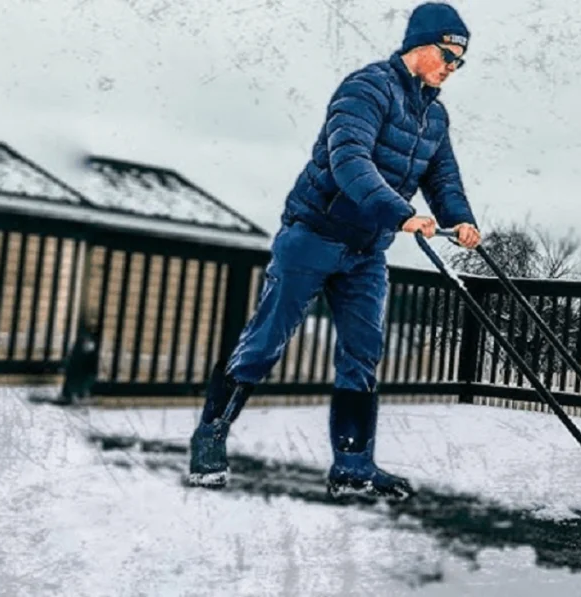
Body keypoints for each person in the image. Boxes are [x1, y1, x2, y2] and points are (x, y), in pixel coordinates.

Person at [185, 2, 481, 501]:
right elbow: (350, 160)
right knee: (264, 342)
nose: (453, 68)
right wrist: (399, 212)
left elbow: (442, 177)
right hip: (313, 235)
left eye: (460, 62)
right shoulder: (366, 88)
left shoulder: (434, 115)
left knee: (363, 355)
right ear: (422, 44)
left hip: (365, 251)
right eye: (449, 56)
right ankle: (209, 437)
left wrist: (461, 220)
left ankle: (353, 467)